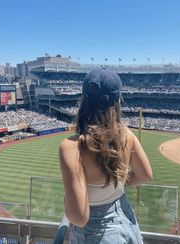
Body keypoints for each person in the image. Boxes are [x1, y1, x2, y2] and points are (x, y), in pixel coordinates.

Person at [59, 68, 153, 243]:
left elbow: (79, 217)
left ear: (83, 100)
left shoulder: (71, 147)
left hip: (95, 231)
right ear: (117, 101)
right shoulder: (127, 134)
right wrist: (115, 180)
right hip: (126, 217)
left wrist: (68, 199)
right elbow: (145, 175)